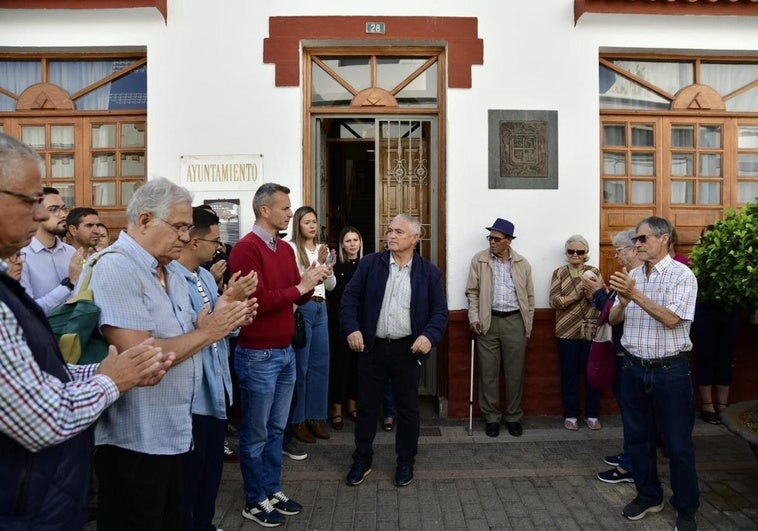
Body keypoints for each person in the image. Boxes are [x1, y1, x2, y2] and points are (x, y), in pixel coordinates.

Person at [0, 131, 173, 529]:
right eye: (30, 202)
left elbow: (37, 376)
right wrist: (112, 381)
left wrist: (97, 371)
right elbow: (43, 419)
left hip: (41, 499)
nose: (41, 216)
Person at [89, 177, 252, 531]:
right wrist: (210, 331)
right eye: (178, 226)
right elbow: (140, 360)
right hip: (136, 441)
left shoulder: (173, 272)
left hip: (178, 430)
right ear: (145, 220)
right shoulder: (116, 267)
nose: (184, 236)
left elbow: (187, 333)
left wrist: (224, 312)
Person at [228, 183, 330, 528]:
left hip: (285, 352)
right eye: (285, 208)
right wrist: (299, 288)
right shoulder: (245, 249)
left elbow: (294, 297)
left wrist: (312, 279)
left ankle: (272, 489)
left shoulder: (285, 251)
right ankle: (254, 499)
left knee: (275, 429)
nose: (291, 213)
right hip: (257, 355)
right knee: (255, 432)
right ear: (265, 211)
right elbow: (256, 301)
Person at [341, 213, 448, 488]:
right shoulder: (370, 265)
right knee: (367, 409)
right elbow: (349, 298)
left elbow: (439, 313)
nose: (391, 235)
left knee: (408, 410)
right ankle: (362, 459)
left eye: (399, 232)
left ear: (415, 238)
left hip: (407, 350)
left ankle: (405, 462)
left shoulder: (429, 272)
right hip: (372, 347)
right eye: (389, 230)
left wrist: (429, 336)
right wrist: (352, 328)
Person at [609, 216, 699, 531]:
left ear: (663, 239)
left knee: (677, 444)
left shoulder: (681, 276)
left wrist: (634, 295)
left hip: (670, 372)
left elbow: (673, 319)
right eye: (636, 239)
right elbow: (615, 318)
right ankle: (649, 495)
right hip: (634, 368)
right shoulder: (633, 275)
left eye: (643, 239)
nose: (637, 244)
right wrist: (621, 302)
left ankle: (686, 509)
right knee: (638, 439)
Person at [177, 206, 258, 531]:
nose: (219, 247)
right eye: (214, 240)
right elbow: (188, 330)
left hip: (216, 391)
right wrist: (227, 301)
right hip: (193, 396)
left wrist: (239, 314)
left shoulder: (203, 278)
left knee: (212, 474)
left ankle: (206, 524)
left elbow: (220, 327)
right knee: (191, 476)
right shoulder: (174, 281)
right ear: (194, 241)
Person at [466, 218, 534, 438]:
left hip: (515, 322)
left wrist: (528, 325)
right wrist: (474, 318)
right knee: (488, 374)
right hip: (488, 321)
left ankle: (513, 416)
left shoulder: (522, 263)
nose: (492, 242)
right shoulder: (480, 260)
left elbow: (530, 296)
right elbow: (472, 292)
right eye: (490, 238)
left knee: (514, 374)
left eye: (496, 239)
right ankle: (492, 417)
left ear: (509, 241)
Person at [583, 229, 642, 484]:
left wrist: (598, 292)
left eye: (619, 250)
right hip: (621, 351)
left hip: (628, 354)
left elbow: (613, 313)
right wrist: (604, 294)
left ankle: (630, 465)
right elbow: (613, 308)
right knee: (630, 412)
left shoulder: (636, 279)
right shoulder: (628, 276)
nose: (616, 256)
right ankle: (630, 456)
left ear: (632, 250)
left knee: (634, 414)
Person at [288, 206, 336, 444]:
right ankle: (298, 420)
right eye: (307, 221)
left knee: (320, 365)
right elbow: (296, 281)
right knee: (302, 368)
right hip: (302, 309)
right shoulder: (292, 248)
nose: (312, 226)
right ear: (298, 224)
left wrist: (329, 268)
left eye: (314, 221)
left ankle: (315, 417)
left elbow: (330, 286)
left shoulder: (321, 248)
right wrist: (317, 264)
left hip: (321, 308)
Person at [549, 234, 602, 431]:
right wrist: (575, 295)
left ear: (586, 254)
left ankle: (592, 413)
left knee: (591, 374)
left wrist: (590, 294)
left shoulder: (593, 271)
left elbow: (600, 299)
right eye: (571, 251)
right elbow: (554, 301)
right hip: (566, 331)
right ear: (567, 253)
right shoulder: (559, 273)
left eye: (580, 252)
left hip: (590, 330)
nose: (575, 255)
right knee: (569, 374)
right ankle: (570, 414)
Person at [691, 224, 739, 425]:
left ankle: (723, 406)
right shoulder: (697, 262)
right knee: (705, 357)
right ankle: (707, 405)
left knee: (725, 358)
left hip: (728, 312)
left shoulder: (732, 260)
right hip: (704, 313)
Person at [20, 186, 84, 314]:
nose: (63, 214)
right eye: (53, 210)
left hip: (77, 328)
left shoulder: (70, 252)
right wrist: (69, 284)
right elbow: (28, 311)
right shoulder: (20, 257)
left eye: (63, 208)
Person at [327, 226, 362, 429]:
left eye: (355, 240)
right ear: (342, 244)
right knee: (340, 366)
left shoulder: (367, 265)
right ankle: (337, 410)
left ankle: (352, 405)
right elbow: (332, 291)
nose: (351, 244)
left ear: (360, 242)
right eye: (347, 241)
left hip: (360, 323)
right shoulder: (336, 265)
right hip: (339, 323)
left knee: (356, 366)